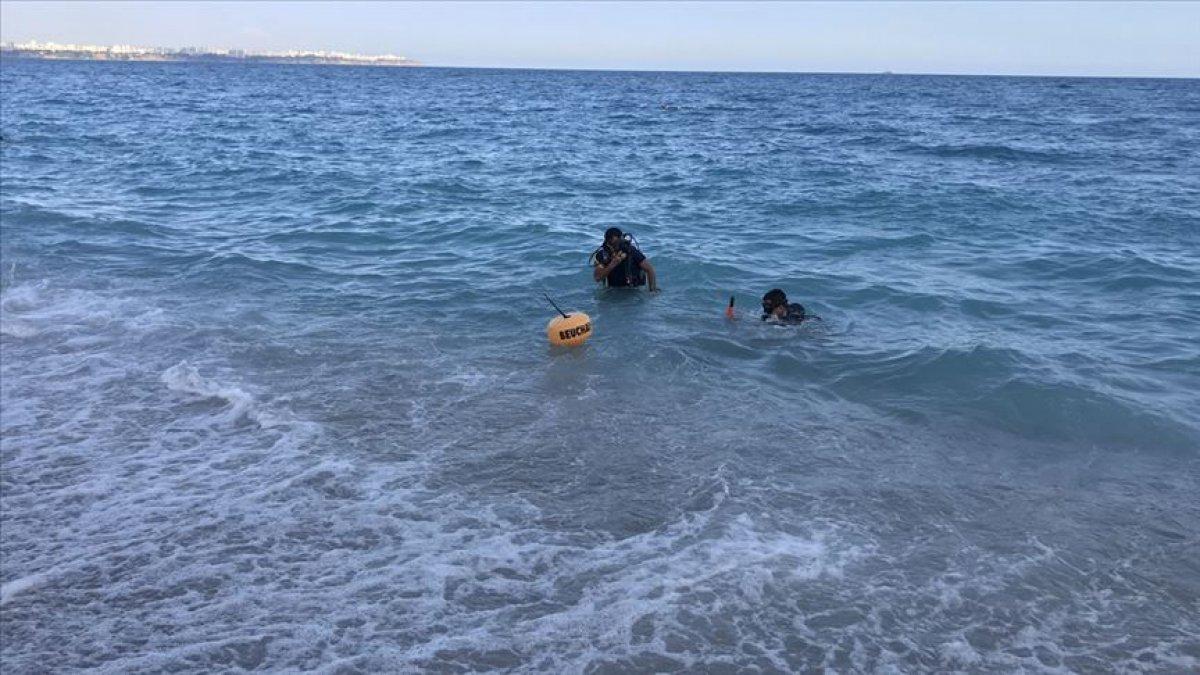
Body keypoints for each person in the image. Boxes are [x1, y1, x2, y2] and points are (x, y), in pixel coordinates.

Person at [592, 227, 659, 292]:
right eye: (611, 244)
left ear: (621, 240)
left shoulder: (631, 251)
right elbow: (597, 278)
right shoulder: (603, 255)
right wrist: (612, 264)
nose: (614, 248)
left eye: (616, 244)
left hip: (634, 289)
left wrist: (652, 290)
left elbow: (650, 270)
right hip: (614, 290)